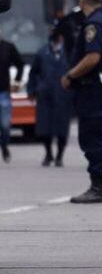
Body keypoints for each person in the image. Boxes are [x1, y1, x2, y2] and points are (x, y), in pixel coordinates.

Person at [62, 0, 102, 203]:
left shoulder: (94, 24)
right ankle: (97, 184)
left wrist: (70, 75)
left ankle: (97, 187)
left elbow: (92, 58)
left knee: (91, 136)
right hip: (100, 86)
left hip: (92, 87)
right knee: (95, 135)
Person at [28, 20, 74, 166]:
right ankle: (48, 154)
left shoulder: (69, 53)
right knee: (44, 128)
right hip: (45, 95)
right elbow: (33, 73)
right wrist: (32, 90)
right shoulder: (42, 52)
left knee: (62, 129)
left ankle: (60, 156)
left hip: (62, 96)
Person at [0, 32, 26, 163]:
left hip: (3, 92)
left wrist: (17, 81)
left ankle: (4, 146)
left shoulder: (8, 47)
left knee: (5, 125)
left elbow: (20, 64)